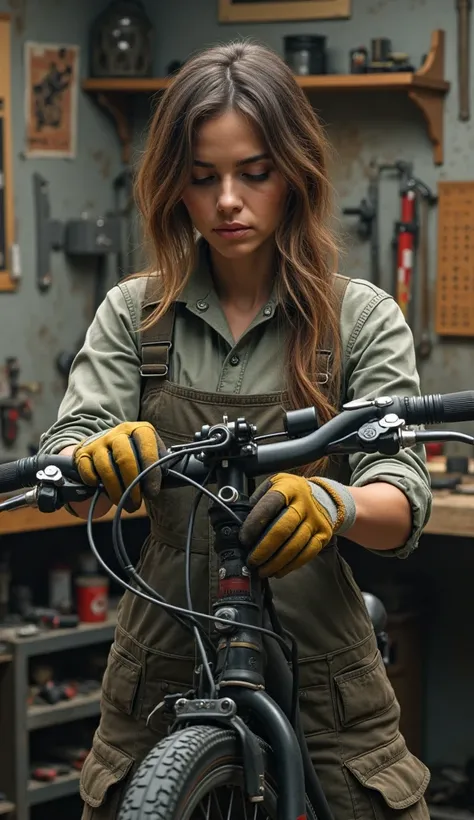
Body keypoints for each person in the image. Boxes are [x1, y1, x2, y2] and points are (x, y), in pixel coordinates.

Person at [39, 39, 432, 820]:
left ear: (295, 172)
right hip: (159, 662)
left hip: (326, 680)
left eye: (254, 172)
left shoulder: (357, 319)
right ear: (173, 187)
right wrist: (94, 451)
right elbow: (69, 443)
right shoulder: (135, 314)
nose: (227, 200)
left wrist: (336, 506)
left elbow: (401, 497)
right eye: (201, 176)